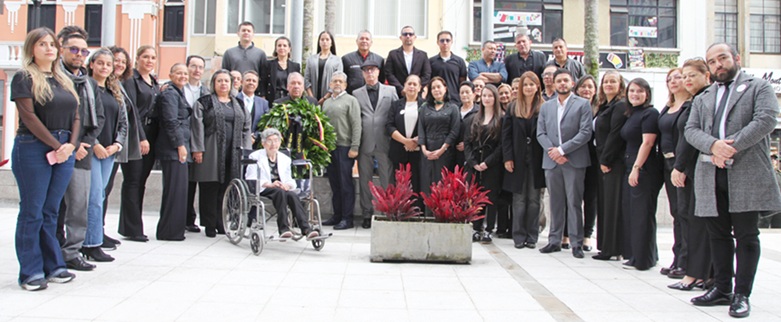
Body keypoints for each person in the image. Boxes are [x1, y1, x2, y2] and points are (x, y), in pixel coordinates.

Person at [685, 43, 781, 318]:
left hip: (745, 173)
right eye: (712, 61)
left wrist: (731, 146)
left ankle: (742, 294)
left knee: (747, 236)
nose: (718, 65)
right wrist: (714, 146)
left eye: (722, 58)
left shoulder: (758, 87)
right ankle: (722, 288)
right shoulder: (704, 97)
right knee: (718, 235)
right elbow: (691, 130)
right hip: (711, 172)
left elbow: (765, 120)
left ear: (736, 58)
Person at [11, 27, 81, 290]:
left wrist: (70, 145)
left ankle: (53, 265)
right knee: (32, 211)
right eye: (42, 44)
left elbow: (76, 115)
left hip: (64, 149)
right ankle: (30, 272)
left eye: (52, 44)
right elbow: (29, 117)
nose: (49, 48)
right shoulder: (24, 77)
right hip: (33, 147)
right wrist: (56, 145)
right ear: (32, 49)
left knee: (51, 211)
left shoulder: (63, 80)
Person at [57, 32, 106, 267]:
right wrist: (70, 146)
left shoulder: (89, 84)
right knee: (55, 207)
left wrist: (84, 144)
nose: (79, 55)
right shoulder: (54, 79)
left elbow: (99, 117)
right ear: (62, 49)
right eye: (74, 49)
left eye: (84, 51)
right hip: (57, 149)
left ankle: (72, 253)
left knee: (78, 207)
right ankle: (53, 251)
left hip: (83, 151)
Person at [536, 68, 592, 259]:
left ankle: (576, 243)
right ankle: (554, 241)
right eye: (558, 81)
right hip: (551, 161)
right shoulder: (546, 106)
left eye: (565, 81)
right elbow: (540, 133)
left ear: (572, 83)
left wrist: (562, 150)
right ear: (553, 83)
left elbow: (585, 133)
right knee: (555, 202)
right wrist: (553, 152)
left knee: (574, 202)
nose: (562, 84)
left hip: (573, 160)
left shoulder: (583, 104)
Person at [191, 70, 252, 237]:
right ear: (213, 84)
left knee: (227, 187)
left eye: (226, 81)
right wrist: (198, 148)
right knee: (210, 187)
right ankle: (209, 224)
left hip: (233, 151)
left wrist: (246, 151)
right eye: (219, 81)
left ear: (231, 84)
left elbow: (247, 127)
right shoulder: (204, 102)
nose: (223, 84)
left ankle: (222, 222)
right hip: (211, 150)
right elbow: (197, 127)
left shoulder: (238, 103)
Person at [668, 58, 712, 291]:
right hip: (690, 168)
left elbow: (691, 138)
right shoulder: (696, 100)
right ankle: (697, 272)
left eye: (691, 75)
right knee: (689, 219)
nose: (686, 80)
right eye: (684, 76)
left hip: (700, 168)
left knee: (698, 222)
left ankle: (698, 274)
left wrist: (680, 166)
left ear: (707, 75)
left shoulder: (706, 99)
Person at [83, 48, 128, 263]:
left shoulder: (114, 91)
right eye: (100, 63)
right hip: (92, 150)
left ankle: (93, 239)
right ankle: (91, 244)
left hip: (110, 152)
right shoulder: (85, 88)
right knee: (93, 198)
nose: (104, 67)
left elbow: (123, 124)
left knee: (99, 196)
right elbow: (81, 120)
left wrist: (117, 145)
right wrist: (96, 144)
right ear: (91, 64)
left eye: (108, 64)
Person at [101, 46, 145, 249]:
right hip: (104, 145)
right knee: (100, 190)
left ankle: (97, 231)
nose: (119, 64)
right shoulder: (101, 86)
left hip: (118, 144)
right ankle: (94, 233)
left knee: (105, 189)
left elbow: (129, 115)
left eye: (121, 61)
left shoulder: (119, 85)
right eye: (114, 61)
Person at [620, 78, 663, 271]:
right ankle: (641, 255)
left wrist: (637, 168)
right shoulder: (632, 114)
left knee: (642, 214)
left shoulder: (650, 113)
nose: (635, 95)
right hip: (630, 166)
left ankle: (643, 260)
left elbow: (648, 143)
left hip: (643, 169)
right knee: (634, 214)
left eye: (639, 91)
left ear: (647, 93)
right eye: (631, 91)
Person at [246, 128, 319, 239]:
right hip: (263, 188)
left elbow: (288, 179)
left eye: (276, 140)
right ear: (263, 143)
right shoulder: (255, 157)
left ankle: (306, 229)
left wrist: (288, 185)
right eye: (270, 141)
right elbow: (251, 177)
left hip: (281, 189)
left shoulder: (285, 159)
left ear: (280, 142)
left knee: (292, 194)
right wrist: (270, 184)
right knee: (280, 192)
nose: (273, 144)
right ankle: (283, 229)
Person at [119, 45, 158, 242]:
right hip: (136, 137)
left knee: (140, 182)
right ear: (137, 59)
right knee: (132, 181)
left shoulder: (153, 82)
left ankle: (129, 226)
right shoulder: (130, 80)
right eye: (145, 57)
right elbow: (132, 110)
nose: (149, 61)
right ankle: (133, 229)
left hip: (151, 137)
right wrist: (141, 137)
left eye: (152, 57)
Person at [353, 61, 399, 229]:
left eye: (372, 70)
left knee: (387, 180)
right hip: (364, 143)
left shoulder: (391, 90)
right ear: (363, 74)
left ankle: (388, 211)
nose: (370, 73)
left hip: (384, 141)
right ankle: (367, 213)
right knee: (365, 181)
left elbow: (395, 114)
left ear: (378, 72)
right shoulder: (356, 93)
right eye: (366, 71)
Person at [657, 68, 692, 278]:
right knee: (676, 213)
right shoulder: (668, 107)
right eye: (670, 79)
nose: (674, 81)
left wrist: (682, 166)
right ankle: (678, 257)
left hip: (682, 164)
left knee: (684, 213)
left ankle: (687, 261)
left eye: (678, 77)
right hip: (666, 163)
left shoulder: (690, 106)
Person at [504, 72, 545, 249]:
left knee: (535, 199)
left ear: (537, 87)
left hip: (537, 159)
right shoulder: (513, 107)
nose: (528, 87)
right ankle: (518, 235)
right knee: (519, 198)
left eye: (532, 84)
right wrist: (508, 158)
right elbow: (506, 136)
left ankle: (532, 235)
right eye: (525, 84)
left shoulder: (544, 107)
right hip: (518, 158)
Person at [591, 70, 628, 261]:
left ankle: (613, 248)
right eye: (606, 81)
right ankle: (605, 246)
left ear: (620, 85)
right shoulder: (605, 105)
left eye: (613, 81)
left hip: (612, 162)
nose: (608, 84)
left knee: (613, 205)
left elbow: (615, 135)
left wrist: (606, 160)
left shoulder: (620, 105)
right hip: (602, 160)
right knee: (605, 204)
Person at [155, 63, 191, 241]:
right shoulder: (169, 93)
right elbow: (171, 121)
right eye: (178, 73)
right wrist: (180, 145)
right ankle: (169, 231)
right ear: (170, 74)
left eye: (185, 73)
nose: (183, 76)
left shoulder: (178, 92)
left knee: (178, 190)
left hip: (178, 148)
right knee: (174, 190)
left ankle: (173, 230)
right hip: (174, 149)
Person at [321, 72, 362, 229]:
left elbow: (356, 125)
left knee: (346, 184)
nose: (337, 84)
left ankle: (347, 218)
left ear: (345, 85)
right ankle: (337, 215)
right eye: (334, 81)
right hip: (330, 148)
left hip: (345, 147)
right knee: (335, 184)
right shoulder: (326, 103)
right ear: (330, 84)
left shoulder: (351, 101)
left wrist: (355, 146)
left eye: (340, 81)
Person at [464, 84, 503, 243]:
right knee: (475, 197)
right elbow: (467, 142)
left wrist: (487, 162)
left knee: (490, 197)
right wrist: (473, 162)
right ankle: (476, 227)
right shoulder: (474, 118)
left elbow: (501, 145)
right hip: (475, 163)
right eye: (484, 96)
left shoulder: (501, 119)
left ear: (495, 98)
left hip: (492, 164)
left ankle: (488, 229)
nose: (487, 99)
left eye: (490, 96)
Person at [418, 77, 460, 197]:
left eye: (439, 87)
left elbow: (454, 131)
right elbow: (421, 129)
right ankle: (427, 214)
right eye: (433, 88)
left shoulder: (453, 108)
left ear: (445, 88)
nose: (436, 90)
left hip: (444, 151)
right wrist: (424, 150)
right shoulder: (425, 108)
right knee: (427, 186)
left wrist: (442, 149)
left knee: (442, 184)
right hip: (427, 151)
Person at [387, 75, 424, 210]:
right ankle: (401, 211)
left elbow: (429, 127)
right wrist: (405, 141)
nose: (412, 87)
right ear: (404, 85)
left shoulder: (425, 105)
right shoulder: (396, 104)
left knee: (417, 182)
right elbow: (389, 126)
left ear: (420, 88)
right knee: (400, 183)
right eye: (409, 83)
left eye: (415, 84)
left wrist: (417, 141)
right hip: (399, 150)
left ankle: (416, 211)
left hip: (418, 152)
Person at [183, 55, 210, 234]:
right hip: (182, 139)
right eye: (193, 66)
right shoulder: (177, 88)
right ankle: (185, 218)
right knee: (186, 184)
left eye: (200, 67)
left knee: (197, 181)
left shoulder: (206, 92)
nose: (197, 70)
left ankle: (195, 219)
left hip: (200, 141)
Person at [574, 75, 599, 252]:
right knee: (572, 197)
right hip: (574, 156)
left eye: (590, 87)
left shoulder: (601, 109)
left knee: (591, 198)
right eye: (583, 86)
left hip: (595, 159)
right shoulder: (572, 107)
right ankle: (569, 233)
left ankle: (587, 235)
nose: (586, 90)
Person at [384, 26, 431, 97]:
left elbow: (427, 74)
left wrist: (416, 87)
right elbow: (389, 74)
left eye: (410, 34)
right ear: (401, 37)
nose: (408, 36)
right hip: (398, 94)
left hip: (417, 95)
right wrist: (402, 89)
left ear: (415, 37)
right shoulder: (393, 54)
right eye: (405, 34)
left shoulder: (423, 55)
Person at [222, 21, 267, 95]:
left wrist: (262, 94)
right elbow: (225, 73)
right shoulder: (229, 53)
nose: (246, 32)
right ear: (238, 33)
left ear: (253, 34)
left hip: (254, 92)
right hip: (234, 93)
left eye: (249, 31)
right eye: (243, 30)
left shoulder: (260, 54)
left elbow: (263, 76)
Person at [429, 31, 467, 105]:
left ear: (451, 42)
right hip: (436, 100)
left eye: (447, 40)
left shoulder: (459, 61)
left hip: (455, 101)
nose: (445, 43)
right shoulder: (431, 61)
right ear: (437, 42)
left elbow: (462, 81)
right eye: (442, 40)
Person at [305, 31, 343, 105]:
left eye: (327, 39)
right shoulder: (311, 59)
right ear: (319, 42)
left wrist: (325, 97)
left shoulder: (337, 60)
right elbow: (306, 79)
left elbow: (338, 81)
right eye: (322, 39)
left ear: (331, 43)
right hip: (312, 98)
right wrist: (311, 97)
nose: (324, 42)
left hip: (330, 98)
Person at [342, 30, 385, 94]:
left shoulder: (379, 60)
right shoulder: (346, 59)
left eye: (367, 39)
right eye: (361, 38)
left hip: (372, 95)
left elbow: (382, 79)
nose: (364, 41)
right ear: (357, 41)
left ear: (371, 42)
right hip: (352, 95)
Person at [263, 36, 301, 102]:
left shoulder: (295, 66)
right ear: (276, 48)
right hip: (272, 99)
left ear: (289, 49)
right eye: (279, 45)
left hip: (289, 100)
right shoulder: (268, 65)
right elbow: (263, 83)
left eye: (284, 45)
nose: (282, 48)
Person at [237, 71, 270, 138]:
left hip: (255, 143)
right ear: (241, 82)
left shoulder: (263, 103)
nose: (251, 83)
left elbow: (266, 123)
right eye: (248, 80)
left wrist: (255, 136)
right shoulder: (234, 99)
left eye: (254, 81)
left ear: (257, 84)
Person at [455, 81, 478, 168]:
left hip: (472, 152)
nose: (464, 95)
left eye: (467, 92)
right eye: (462, 92)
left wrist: (468, 144)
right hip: (455, 152)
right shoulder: (455, 110)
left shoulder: (479, 112)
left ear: (474, 94)